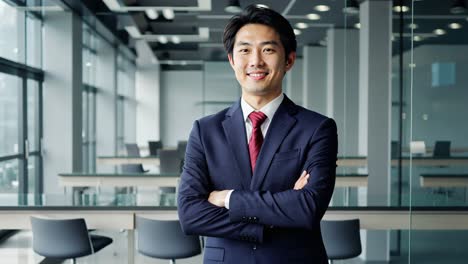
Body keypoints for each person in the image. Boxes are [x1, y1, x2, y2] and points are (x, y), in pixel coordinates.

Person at [177, 5, 337, 264]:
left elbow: (307, 208)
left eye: (268, 49)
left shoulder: (317, 128)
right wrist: (270, 221)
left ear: (289, 60)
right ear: (231, 60)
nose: (255, 61)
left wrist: (226, 197)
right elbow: (190, 215)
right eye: (244, 50)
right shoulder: (205, 130)